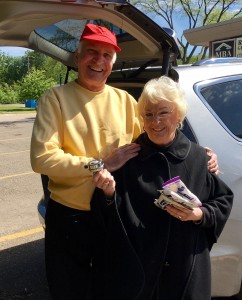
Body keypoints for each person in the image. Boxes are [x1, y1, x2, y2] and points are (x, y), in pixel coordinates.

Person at [30, 24, 218, 299]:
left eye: (107, 55)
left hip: (115, 217)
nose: (99, 60)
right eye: (92, 52)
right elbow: (41, 158)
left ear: (113, 62)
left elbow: (153, 142)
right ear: (78, 56)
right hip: (72, 218)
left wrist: (198, 153)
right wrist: (99, 164)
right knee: (70, 290)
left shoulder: (126, 101)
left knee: (113, 288)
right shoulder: (55, 98)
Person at [91, 76, 234, 300]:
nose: (155, 121)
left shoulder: (197, 157)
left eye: (163, 112)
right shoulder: (129, 158)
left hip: (186, 269)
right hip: (140, 272)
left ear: (178, 115)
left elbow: (222, 200)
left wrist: (199, 214)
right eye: (148, 114)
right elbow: (108, 218)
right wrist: (108, 194)